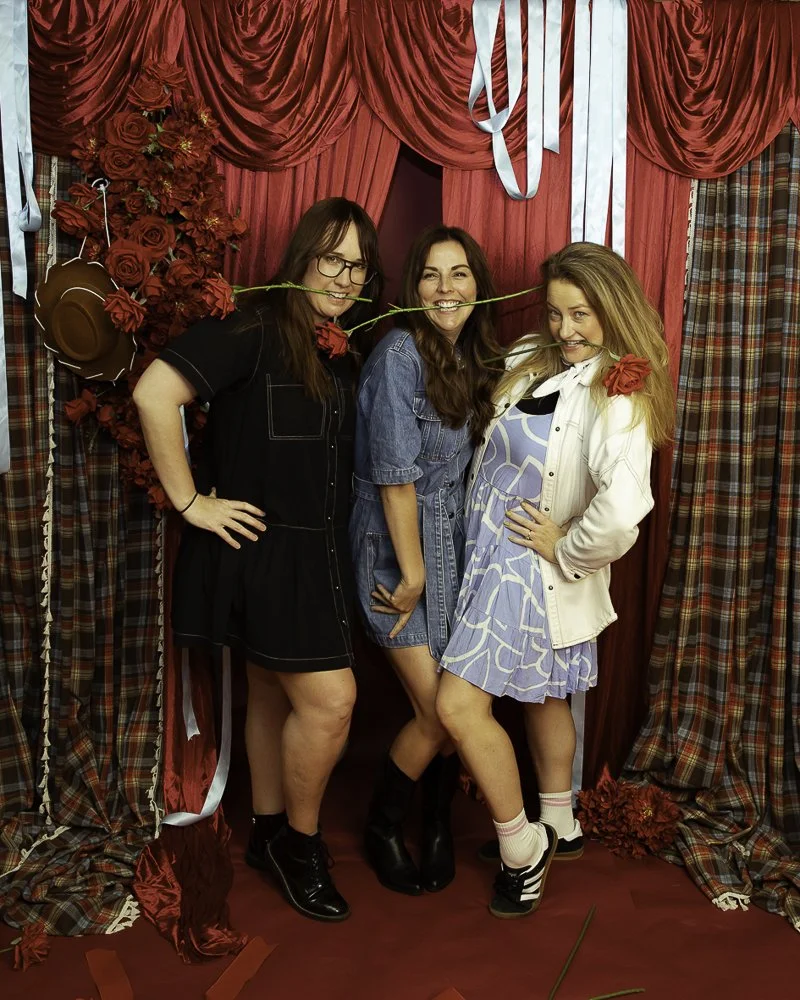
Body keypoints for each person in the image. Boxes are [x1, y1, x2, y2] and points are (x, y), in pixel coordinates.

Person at [133, 197, 383, 923]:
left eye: (358, 265)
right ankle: (302, 845)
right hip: (263, 551)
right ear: (301, 257)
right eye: (331, 259)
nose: (343, 276)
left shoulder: (340, 343)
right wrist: (190, 503)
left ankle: (270, 831)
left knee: (275, 697)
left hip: (320, 552)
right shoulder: (251, 324)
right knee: (332, 703)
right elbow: (155, 393)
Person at [435, 242, 675, 918]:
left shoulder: (619, 386)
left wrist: (567, 546)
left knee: (457, 707)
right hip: (490, 552)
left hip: (529, 567)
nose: (567, 330)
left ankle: (523, 847)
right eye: (557, 313)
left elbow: (625, 504)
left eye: (584, 315)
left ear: (614, 311)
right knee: (545, 698)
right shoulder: (530, 359)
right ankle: (561, 824)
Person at [350, 225, 501, 895]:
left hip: (456, 547)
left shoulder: (472, 357)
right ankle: (382, 826)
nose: (446, 288)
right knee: (439, 709)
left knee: (450, 706)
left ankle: (435, 822)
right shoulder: (398, 355)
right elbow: (394, 478)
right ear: (413, 290)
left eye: (459, 273)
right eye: (431, 275)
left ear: (478, 286)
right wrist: (411, 574)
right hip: (394, 545)